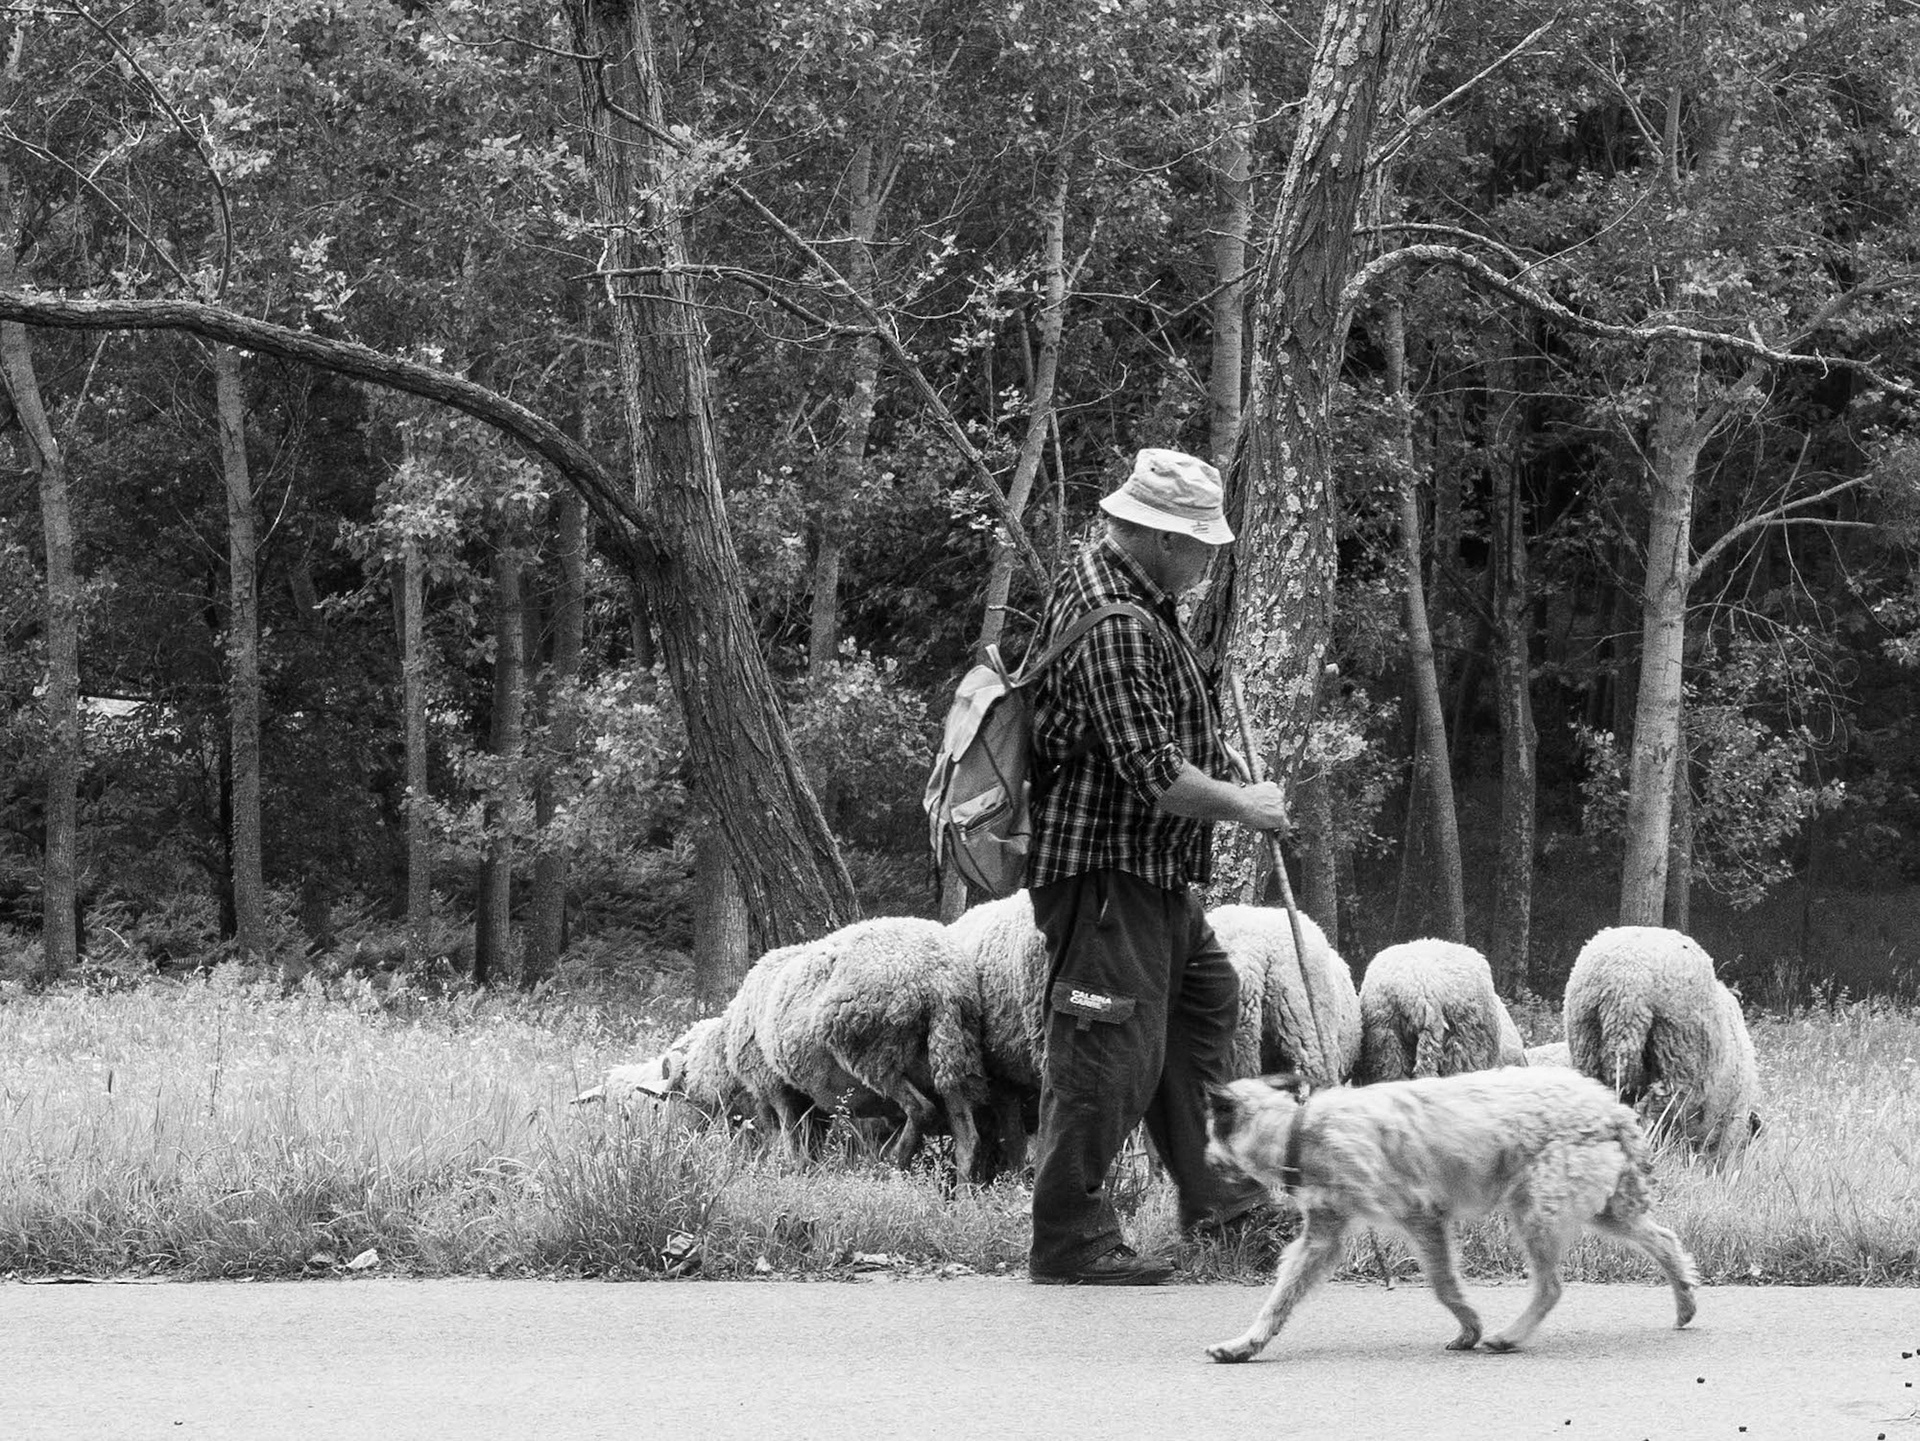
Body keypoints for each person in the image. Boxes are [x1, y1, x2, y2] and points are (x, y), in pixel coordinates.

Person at [1023, 446, 1293, 1286]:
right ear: (1159, 536)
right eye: (1200, 543)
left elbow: (1164, 724)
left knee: (1207, 999)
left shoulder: (1137, 594)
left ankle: (1221, 1201)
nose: (1209, 559)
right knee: (1106, 1055)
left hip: (1150, 872)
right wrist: (1247, 805)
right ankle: (1071, 1241)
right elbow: (1154, 772)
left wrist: (1219, 737)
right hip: (1106, 874)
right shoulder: (1113, 620)